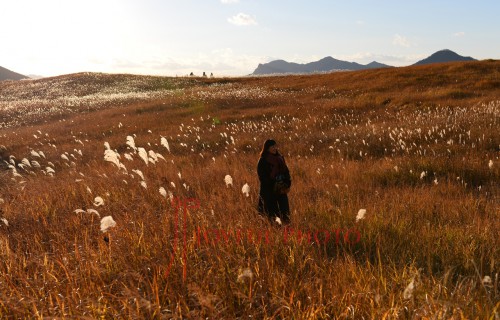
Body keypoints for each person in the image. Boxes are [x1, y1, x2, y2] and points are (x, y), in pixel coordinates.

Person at [257, 139, 291, 225]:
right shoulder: (263, 161)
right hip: (269, 192)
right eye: (272, 146)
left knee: (285, 212)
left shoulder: (280, 158)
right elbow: (262, 177)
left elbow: (286, 172)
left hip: (281, 190)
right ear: (267, 148)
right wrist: (274, 184)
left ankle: (287, 230)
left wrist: (287, 184)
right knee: (271, 215)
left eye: (275, 146)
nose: (275, 148)